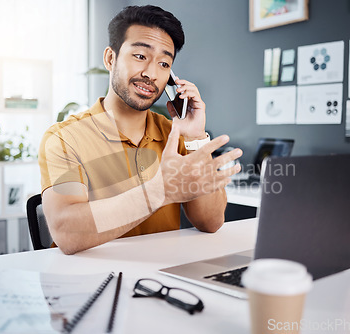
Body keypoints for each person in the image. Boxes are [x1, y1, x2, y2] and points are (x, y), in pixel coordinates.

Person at [38, 5, 242, 254]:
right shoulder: (64, 139)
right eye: (140, 56)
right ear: (110, 59)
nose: (151, 74)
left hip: (163, 276)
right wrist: (160, 191)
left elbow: (211, 222)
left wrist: (194, 137)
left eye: (164, 63)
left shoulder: (174, 134)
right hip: (92, 280)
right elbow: (66, 233)